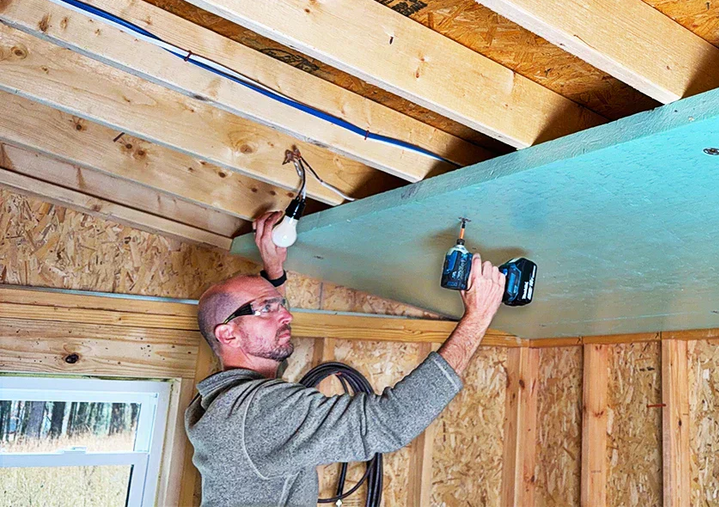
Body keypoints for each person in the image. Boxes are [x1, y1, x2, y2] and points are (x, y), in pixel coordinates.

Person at [185, 211, 505, 506]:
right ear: (228, 335)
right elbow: (388, 422)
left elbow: (263, 366)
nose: (287, 314)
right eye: (267, 307)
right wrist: (478, 318)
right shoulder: (257, 413)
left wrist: (274, 271)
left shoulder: (223, 403)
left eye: (279, 304)